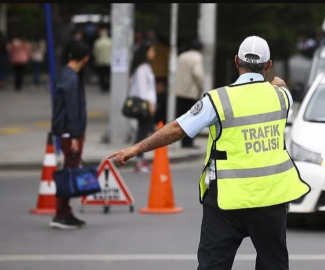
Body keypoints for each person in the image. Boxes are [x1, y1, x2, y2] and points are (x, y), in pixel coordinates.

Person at [107, 36, 311, 270]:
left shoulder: (219, 100)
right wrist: (279, 84)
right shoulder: (282, 97)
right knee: (273, 264)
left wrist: (136, 148)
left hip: (227, 200)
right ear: (268, 65)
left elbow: (177, 129)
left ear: (237, 61)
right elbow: (282, 88)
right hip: (271, 199)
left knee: (213, 266)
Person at [51, 41, 90, 229]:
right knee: (69, 171)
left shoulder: (65, 75)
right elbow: (72, 109)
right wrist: (76, 135)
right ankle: (61, 214)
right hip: (70, 132)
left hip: (67, 131)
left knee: (69, 168)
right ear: (85, 58)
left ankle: (65, 211)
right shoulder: (71, 78)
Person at [128, 42, 157, 173]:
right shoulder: (142, 68)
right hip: (144, 105)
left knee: (144, 131)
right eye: (151, 51)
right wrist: (150, 104)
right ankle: (138, 159)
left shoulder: (145, 67)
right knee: (142, 132)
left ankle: (140, 158)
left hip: (147, 104)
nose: (153, 54)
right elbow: (143, 89)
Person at [175, 39, 205, 148]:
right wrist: (201, 87)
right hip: (191, 92)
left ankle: (182, 141)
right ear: (200, 49)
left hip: (179, 91)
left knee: (181, 118)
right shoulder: (197, 57)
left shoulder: (181, 56)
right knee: (192, 119)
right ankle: (188, 143)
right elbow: (198, 74)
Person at [93, 28, 111, 93]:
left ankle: (103, 87)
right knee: (108, 75)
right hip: (109, 61)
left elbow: (95, 53)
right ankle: (108, 86)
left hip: (100, 62)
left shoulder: (97, 42)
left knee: (101, 75)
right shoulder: (110, 42)